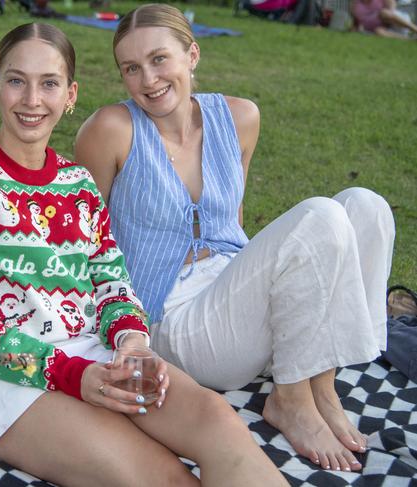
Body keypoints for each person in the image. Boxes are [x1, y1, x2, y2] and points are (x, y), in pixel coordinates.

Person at [0, 22, 288, 487]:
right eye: (16, 80)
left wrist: (132, 342)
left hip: (96, 352)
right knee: (157, 477)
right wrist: (71, 374)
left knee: (218, 423)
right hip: (2, 376)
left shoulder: (78, 185)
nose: (32, 99)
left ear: (70, 95)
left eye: (49, 83)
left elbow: (113, 280)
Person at [75, 3, 395, 473]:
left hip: (236, 302)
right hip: (173, 319)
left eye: (160, 59)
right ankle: (288, 399)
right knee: (320, 216)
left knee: (366, 206)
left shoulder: (240, 117)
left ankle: (320, 387)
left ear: (192, 55)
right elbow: (82, 239)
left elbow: (234, 221)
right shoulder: (110, 129)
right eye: (132, 68)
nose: (148, 79)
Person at [351, 0, 417, 39]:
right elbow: (356, 22)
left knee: (384, 13)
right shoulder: (355, 4)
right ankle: (411, 40)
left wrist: (385, 19)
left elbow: (391, 10)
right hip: (380, 29)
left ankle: (415, 29)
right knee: (378, 31)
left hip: (397, 23)